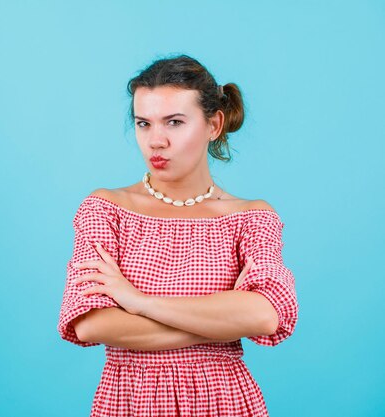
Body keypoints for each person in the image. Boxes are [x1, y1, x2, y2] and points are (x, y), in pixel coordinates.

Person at [57, 54, 299, 416]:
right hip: (130, 401)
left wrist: (139, 302)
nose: (156, 141)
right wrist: (221, 324)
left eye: (174, 122)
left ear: (214, 124)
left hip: (225, 401)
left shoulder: (251, 217)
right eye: (143, 123)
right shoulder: (105, 209)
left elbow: (265, 315)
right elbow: (91, 323)